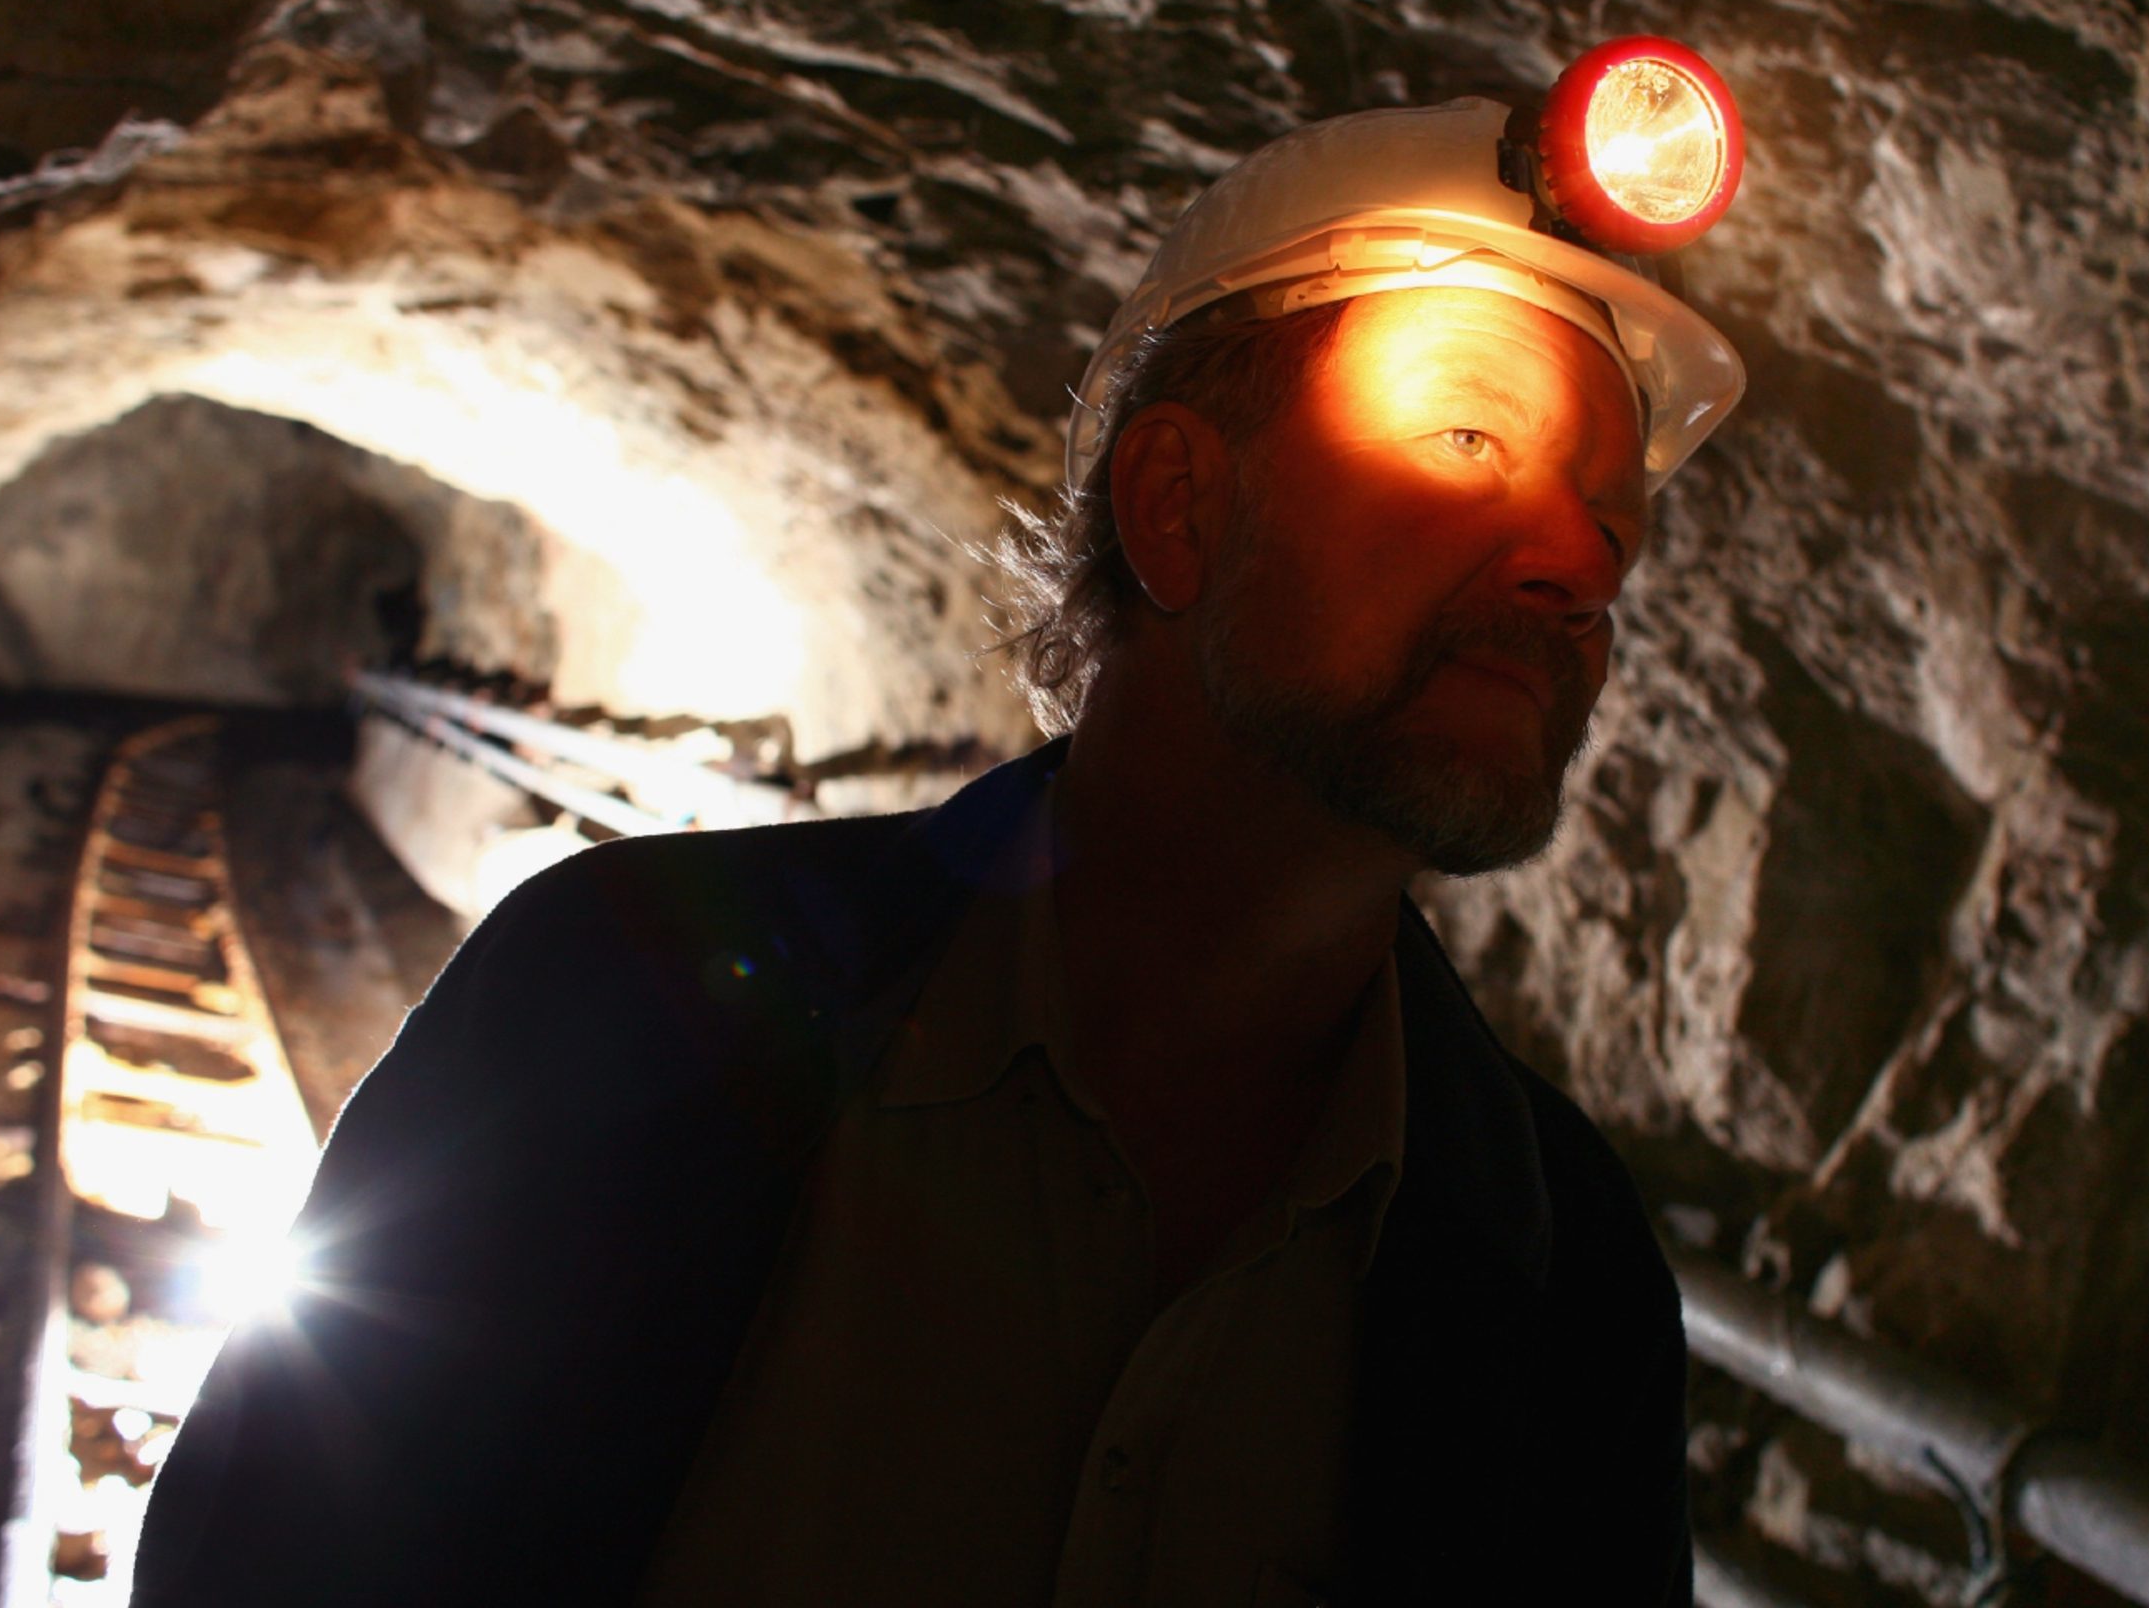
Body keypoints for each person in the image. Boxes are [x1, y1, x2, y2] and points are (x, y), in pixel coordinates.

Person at [131, 80, 1748, 1607]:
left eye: (1617, 521)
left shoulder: (1568, 1281)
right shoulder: (618, 1001)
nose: (1575, 564)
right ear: (1179, 506)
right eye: (1469, 441)